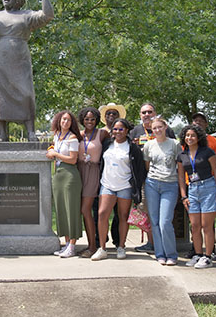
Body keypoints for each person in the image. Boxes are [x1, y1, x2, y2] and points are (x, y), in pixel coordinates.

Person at [0, 0, 54, 142]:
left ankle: (31, 132)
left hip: (19, 59)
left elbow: (47, 15)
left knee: (26, 93)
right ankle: (3, 133)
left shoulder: (26, 15)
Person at [92, 118, 146, 261]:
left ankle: (121, 246)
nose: (117, 132)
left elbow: (139, 170)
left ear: (127, 130)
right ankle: (102, 248)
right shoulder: (107, 144)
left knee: (123, 217)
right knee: (102, 213)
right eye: (115, 129)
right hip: (107, 185)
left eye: (121, 129)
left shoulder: (132, 147)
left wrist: (136, 189)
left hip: (125, 187)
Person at [129, 103, 175, 253]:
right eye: (144, 112)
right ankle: (151, 243)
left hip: (166, 179)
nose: (147, 114)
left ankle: (164, 245)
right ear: (140, 115)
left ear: (155, 113)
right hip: (143, 178)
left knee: (164, 216)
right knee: (147, 212)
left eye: (150, 111)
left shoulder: (166, 130)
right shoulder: (135, 131)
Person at [177, 124, 216, 269]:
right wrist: (184, 196)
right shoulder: (182, 155)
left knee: (206, 225)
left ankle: (207, 257)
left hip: (208, 188)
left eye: (193, 136)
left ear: (198, 138)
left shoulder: (207, 152)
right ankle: (197, 254)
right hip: (192, 189)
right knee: (195, 226)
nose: (190, 138)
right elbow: (180, 178)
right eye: (187, 135)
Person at [143, 117, 181, 265]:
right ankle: (160, 254)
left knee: (165, 221)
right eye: (154, 128)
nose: (157, 130)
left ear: (165, 127)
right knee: (155, 221)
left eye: (160, 127)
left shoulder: (174, 144)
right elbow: (147, 165)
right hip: (152, 184)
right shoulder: (149, 145)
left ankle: (171, 254)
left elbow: (179, 166)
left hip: (170, 185)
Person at [46, 111, 83, 258]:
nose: (65, 122)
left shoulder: (73, 138)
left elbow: (73, 159)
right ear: (58, 121)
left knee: (71, 210)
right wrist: (52, 150)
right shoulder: (56, 136)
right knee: (61, 209)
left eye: (68, 120)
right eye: (63, 119)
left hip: (70, 176)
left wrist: (55, 154)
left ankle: (73, 245)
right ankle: (66, 244)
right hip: (58, 175)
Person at [185, 112, 216, 261]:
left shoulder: (213, 142)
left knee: (208, 223)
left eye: (201, 121)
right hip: (191, 185)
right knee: (195, 224)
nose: (198, 123)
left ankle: (210, 251)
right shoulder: (186, 143)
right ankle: (196, 250)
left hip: (208, 184)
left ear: (206, 124)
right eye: (195, 121)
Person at [76, 107, 108, 257]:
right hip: (79, 172)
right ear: (82, 120)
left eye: (92, 119)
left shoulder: (102, 134)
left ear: (96, 120)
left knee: (85, 209)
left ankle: (93, 246)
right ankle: (89, 244)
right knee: (82, 211)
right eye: (87, 119)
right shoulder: (79, 135)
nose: (89, 122)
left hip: (93, 172)